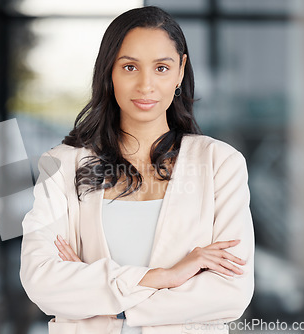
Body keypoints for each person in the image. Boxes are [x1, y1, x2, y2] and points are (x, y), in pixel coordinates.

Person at [19, 5, 254, 334]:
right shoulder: (62, 165)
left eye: (161, 67)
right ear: (109, 72)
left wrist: (102, 297)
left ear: (181, 70)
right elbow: (41, 281)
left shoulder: (220, 164)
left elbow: (230, 294)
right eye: (130, 67)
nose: (146, 85)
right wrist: (166, 277)